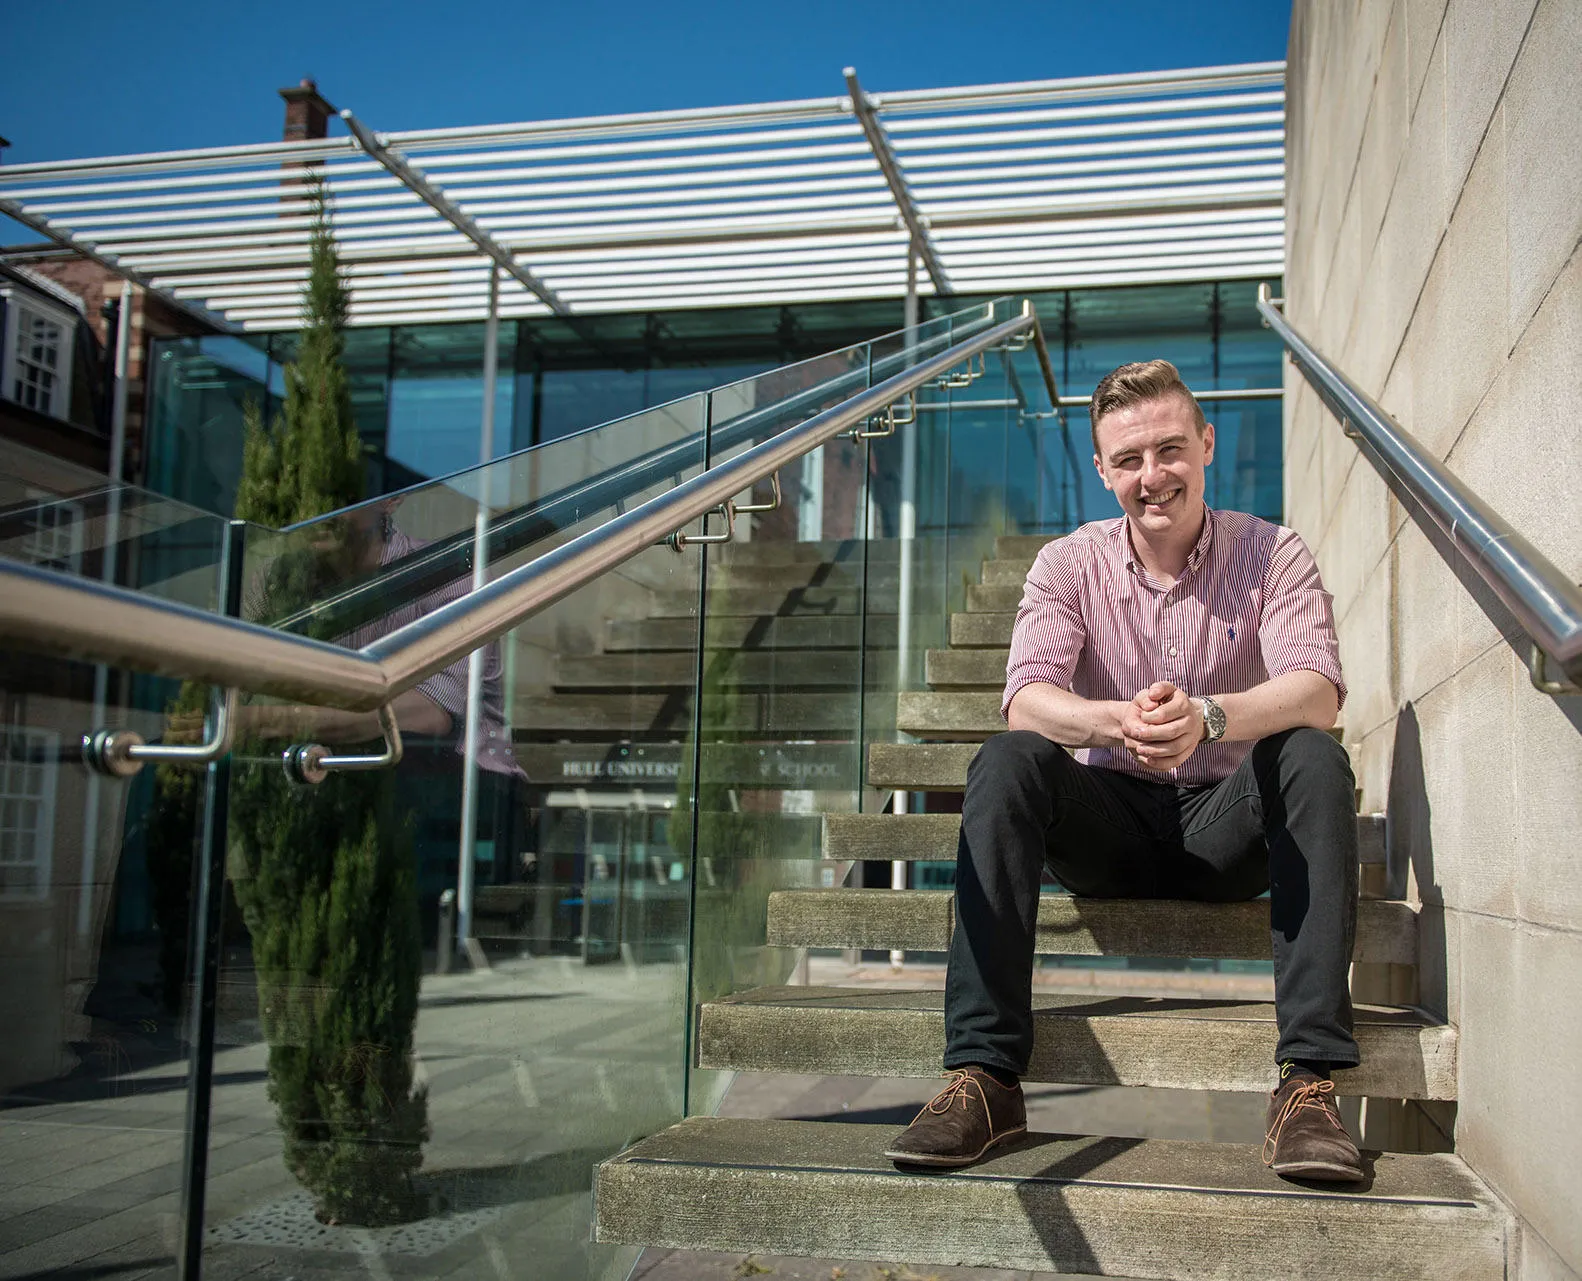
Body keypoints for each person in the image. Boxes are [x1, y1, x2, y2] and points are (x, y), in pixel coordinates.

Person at [886, 359, 1365, 1182]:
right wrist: (1120, 721)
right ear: (1103, 472)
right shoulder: (1067, 565)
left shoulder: (1274, 552)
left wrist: (1208, 716)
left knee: (1313, 753)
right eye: (1131, 459)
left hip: (1225, 825)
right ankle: (986, 1075)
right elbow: (1027, 700)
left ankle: (1307, 1086)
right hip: (1105, 823)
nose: (1155, 476)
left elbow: (1316, 690)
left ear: (1206, 445)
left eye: (1171, 450)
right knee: (1006, 760)